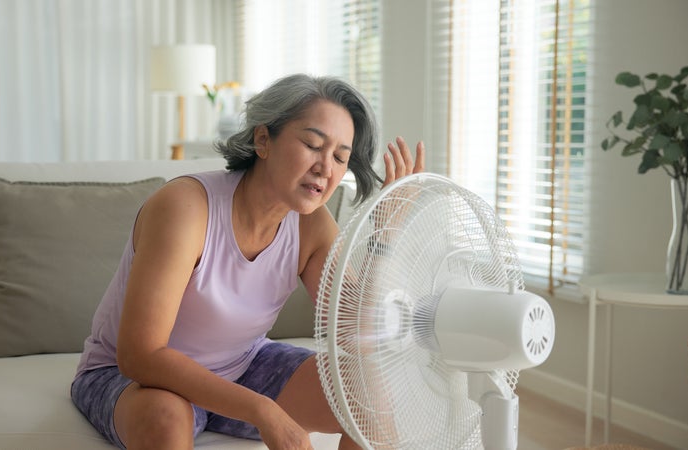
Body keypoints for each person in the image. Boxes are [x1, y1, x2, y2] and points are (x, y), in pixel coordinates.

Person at [71, 73, 425, 450]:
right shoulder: (185, 208)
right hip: (134, 378)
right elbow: (140, 356)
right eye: (312, 144)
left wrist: (385, 239)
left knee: (368, 392)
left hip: (242, 365)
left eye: (340, 157)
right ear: (262, 140)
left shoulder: (312, 226)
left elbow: (358, 339)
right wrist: (262, 410)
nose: (326, 167)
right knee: (165, 419)